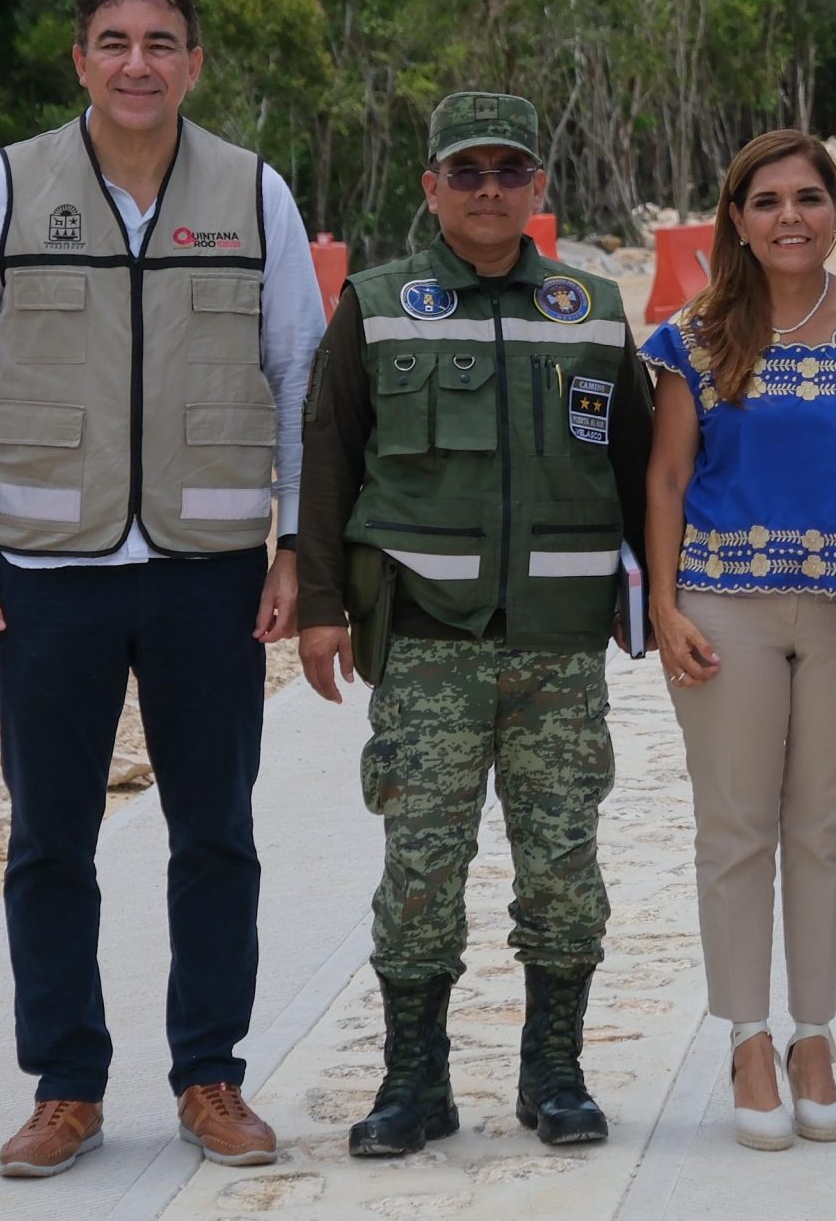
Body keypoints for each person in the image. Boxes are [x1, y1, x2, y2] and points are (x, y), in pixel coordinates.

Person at [0, 0, 318, 1178]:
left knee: (217, 831)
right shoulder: (1, 188)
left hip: (207, 570)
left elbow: (298, 376)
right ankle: (66, 1087)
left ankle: (211, 1075)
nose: (136, 62)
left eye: (161, 42)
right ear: (78, 59)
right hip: (49, 569)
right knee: (49, 838)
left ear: (195, 62)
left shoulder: (254, 192)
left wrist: (295, 540)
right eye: (112, 40)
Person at [295, 92, 651, 1156]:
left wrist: (660, 604)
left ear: (540, 188)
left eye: (508, 171)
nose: (488, 189)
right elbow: (326, 456)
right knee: (419, 868)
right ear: (431, 189)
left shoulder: (589, 306)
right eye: (467, 172)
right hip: (427, 643)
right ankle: (415, 1080)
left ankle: (555, 1069)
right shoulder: (377, 303)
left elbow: (641, 468)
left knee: (562, 864)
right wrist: (319, 605)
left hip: (558, 643)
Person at [643, 129, 836, 1151]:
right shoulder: (694, 334)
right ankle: (749, 1036)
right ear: (735, 218)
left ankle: (815, 1036)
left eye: (808, 197)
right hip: (724, 606)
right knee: (736, 826)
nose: (789, 216)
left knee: (827, 827)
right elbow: (665, 477)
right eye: (765, 200)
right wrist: (664, 607)